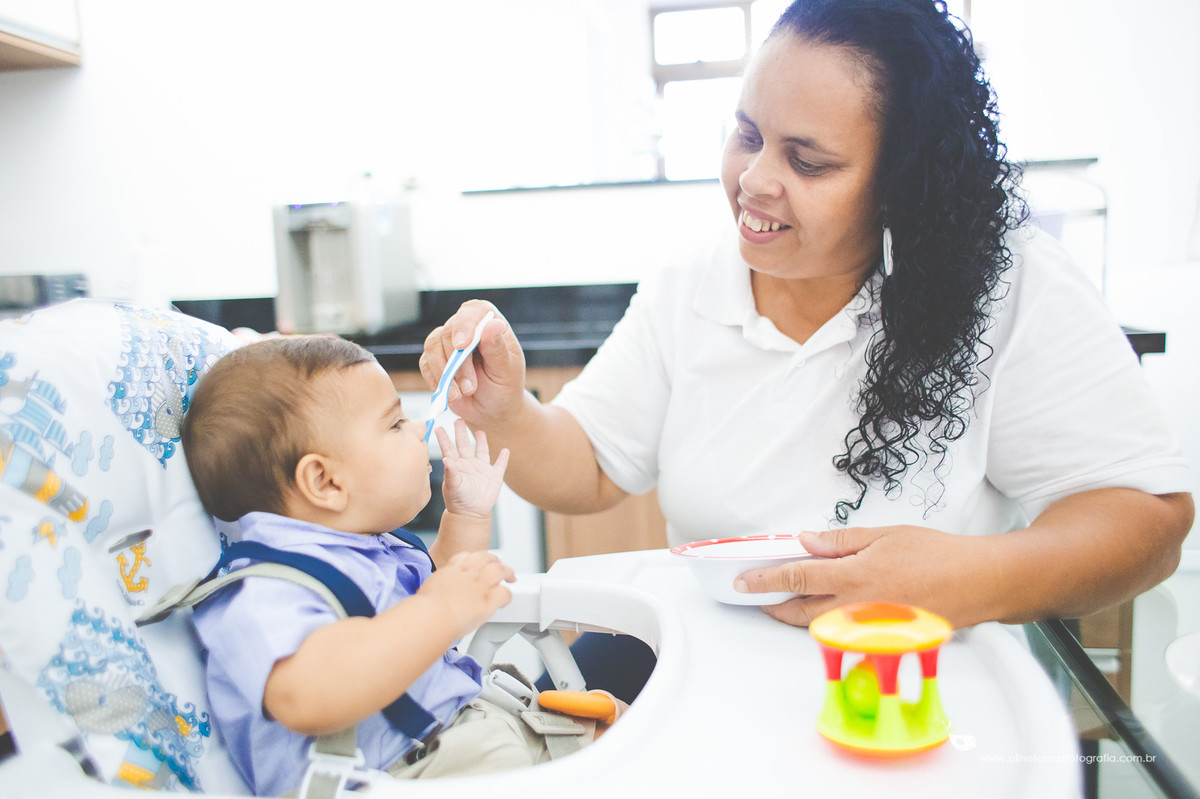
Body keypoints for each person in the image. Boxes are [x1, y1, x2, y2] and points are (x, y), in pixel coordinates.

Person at [421, 0, 1193, 645]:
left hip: (918, 694)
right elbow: (591, 464)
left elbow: (1147, 519)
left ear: (902, 184)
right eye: (748, 135)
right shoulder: (692, 282)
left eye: (808, 161)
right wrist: (506, 411)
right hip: (708, 674)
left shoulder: (1008, 285)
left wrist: (969, 576)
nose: (753, 181)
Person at [181, 337, 611, 797]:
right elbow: (307, 696)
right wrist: (440, 609)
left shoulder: (364, 548)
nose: (421, 428)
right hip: (405, 774)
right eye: (396, 423)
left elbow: (429, 610)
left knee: (626, 728)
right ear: (325, 482)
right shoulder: (264, 595)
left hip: (469, 733)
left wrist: (466, 517)